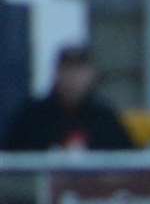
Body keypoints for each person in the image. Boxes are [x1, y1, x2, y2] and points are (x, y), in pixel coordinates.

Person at [3, 45, 135, 151]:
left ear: (91, 75)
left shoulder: (104, 117)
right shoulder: (33, 116)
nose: (73, 78)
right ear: (57, 73)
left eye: (79, 71)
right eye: (67, 70)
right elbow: (11, 162)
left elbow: (127, 161)